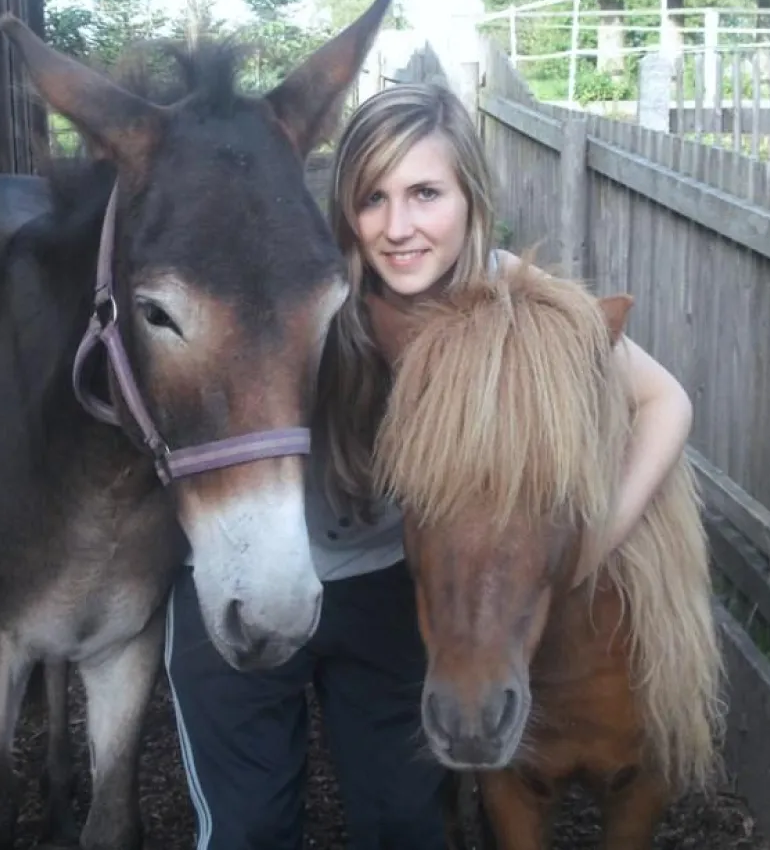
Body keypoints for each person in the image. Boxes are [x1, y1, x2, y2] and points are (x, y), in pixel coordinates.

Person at [164, 80, 694, 849]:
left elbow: (664, 402)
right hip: (259, 578)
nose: (398, 227)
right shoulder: (306, 292)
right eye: (371, 198)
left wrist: (593, 545)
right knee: (247, 826)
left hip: (384, 585)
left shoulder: (513, 309)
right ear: (342, 208)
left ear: (470, 200)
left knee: (408, 821)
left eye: (424, 193)